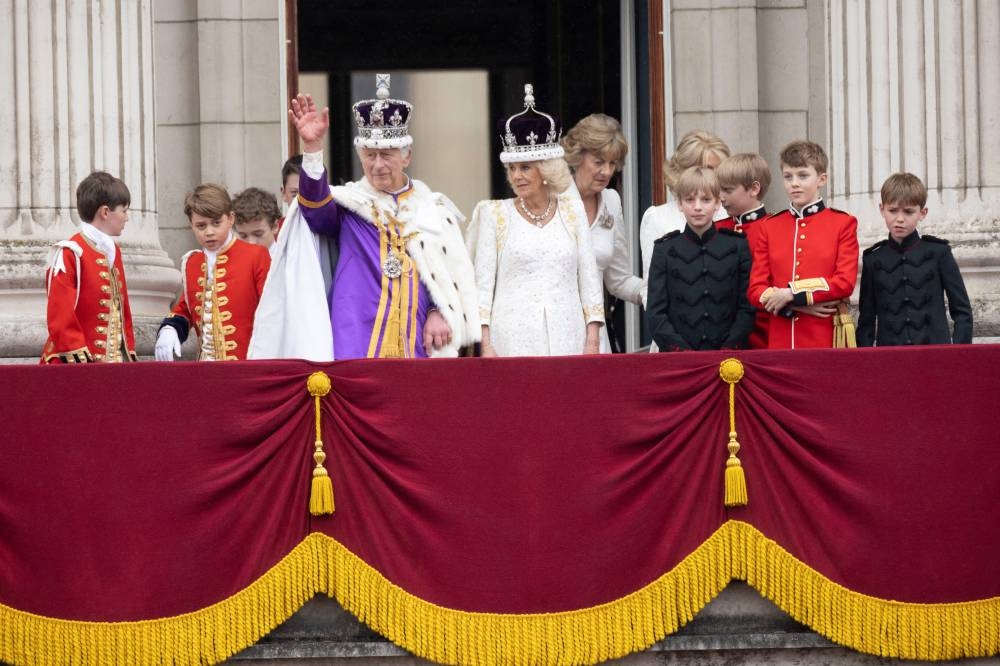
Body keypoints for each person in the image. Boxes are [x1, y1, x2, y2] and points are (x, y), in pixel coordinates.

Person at [249, 74, 479, 360]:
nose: (378, 165)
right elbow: (315, 210)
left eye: (387, 154)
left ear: (406, 156)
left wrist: (439, 311)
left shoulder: (434, 211)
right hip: (356, 338)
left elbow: (448, 278)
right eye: (370, 156)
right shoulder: (350, 206)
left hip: (418, 341)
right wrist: (311, 149)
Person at [468, 84, 604, 357]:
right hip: (511, 340)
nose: (516, 176)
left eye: (525, 167)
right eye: (512, 168)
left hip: (569, 337)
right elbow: (482, 287)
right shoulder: (494, 214)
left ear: (546, 170)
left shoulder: (572, 211)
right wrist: (485, 344)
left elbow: (589, 280)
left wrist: (592, 341)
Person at [747, 140, 859, 349]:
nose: (794, 183)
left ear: (821, 179)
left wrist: (791, 293)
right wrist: (797, 304)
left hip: (824, 338)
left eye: (803, 175)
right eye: (788, 177)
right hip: (780, 339)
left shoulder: (842, 223)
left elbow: (844, 282)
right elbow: (755, 290)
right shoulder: (769, 227)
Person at [155, 184, 271, 361]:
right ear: (191, 225)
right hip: (206, 370)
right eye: (201, 226)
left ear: (231, 219)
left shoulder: (256, 256)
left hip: (248, 366)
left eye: (216, 223)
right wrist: (170, 328)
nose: (209, 232)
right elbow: (187, 307)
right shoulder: (191, 263)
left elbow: (271, 312)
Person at [857, 172, 972, 346]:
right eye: (893, 210)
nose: (900, 219)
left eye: (909, 212)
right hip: (890, 359)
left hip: (936, 357)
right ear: (882, 210)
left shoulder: (939, 253)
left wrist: (958, 354)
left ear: (922, 213)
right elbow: (866, 320)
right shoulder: (873, 259)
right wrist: (866, 363)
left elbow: (962, 311)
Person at [646, 167, 754, 351]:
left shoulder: (737, 246)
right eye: (689, 200)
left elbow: (747, 307)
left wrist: (729, 348)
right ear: (680, 204)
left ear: (717, 203)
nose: (697, 207)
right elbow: (656, 312)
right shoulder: (664, 250)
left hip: (728, 359)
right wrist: (680, 351)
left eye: (705, 200)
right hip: (678, 359)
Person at [562, 113, 644, 353]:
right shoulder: (551, 198)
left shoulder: (611, 200)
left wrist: (653, 292)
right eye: (598, 162)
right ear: (577, 157)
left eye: (612, 164)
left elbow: (618, 279)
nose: (607, 171)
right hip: (555, 332)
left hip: (596, 338)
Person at [41, 171, 137, 363]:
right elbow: (59, 313)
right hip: (79, 364)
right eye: (124, 211)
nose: (126, 217)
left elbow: (122, 309)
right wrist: (77, 354)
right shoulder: (70, 252)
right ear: (105, 212)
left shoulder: (113, 251)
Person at [639, 130, 731, 279]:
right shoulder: (657, 218)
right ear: (683, 171)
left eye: (718, 170)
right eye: (706, 169)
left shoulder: (731, 214)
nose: (714, 177)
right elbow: (652, 283)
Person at [716, 153, 772, 348]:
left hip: (764, 334)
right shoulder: (716, 229)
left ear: (754, 189)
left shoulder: (775, 228)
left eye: (728, 190)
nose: (721, 197)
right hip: (722, 336)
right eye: (720, 190)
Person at [277, 154, 302, 234]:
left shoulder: (335, 232)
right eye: (295, 194)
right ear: (284, 193)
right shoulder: (275, 233)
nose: (303, 202)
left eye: (311, 194)